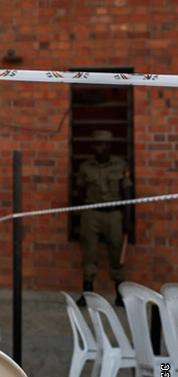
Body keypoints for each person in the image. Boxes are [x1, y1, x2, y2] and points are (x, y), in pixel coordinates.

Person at [73, 129, 132, 308]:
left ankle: (120, 295)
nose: (101, 148)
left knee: (117, 255)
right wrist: (79, 217)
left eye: (105, 144)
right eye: (98, 144)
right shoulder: (85, 167)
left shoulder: (120, 166)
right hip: (92, 213)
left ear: (109, 146)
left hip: (114, 214)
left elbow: (127, 194)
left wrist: (128, 220)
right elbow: (79, 193)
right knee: (89, 254)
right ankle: (87, 293)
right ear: (93, 146)